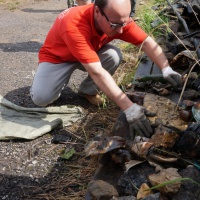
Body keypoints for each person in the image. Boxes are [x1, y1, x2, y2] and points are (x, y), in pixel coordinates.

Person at [30, 0, 182, 138]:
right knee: (41, 98)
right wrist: (129, 108)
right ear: (97, 12)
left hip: (89, 52)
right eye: (115, 25)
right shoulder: (73, 25)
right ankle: (50, 81)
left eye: (124, 23)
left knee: (113, 55)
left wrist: (166, 68)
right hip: (59, 58)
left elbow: (147, 43)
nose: (121, 31)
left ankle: (87, 91)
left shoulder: (118, 19)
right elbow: (97, 72)